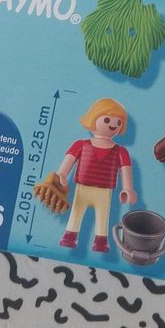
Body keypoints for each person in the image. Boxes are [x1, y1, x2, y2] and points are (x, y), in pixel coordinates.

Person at [39, 98, 136, 253]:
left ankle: (101, 241)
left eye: (118, 122)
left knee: (103, 216)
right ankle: (69, 236)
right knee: (76, 212)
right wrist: (61, 174)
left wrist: (128, 188)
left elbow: (126, 168)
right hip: (83, 188)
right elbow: (69, 161)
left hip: (104, 191)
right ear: (93, 118)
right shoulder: (81, 144)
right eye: (107, 120)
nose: (113, 125)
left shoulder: (120, 151)